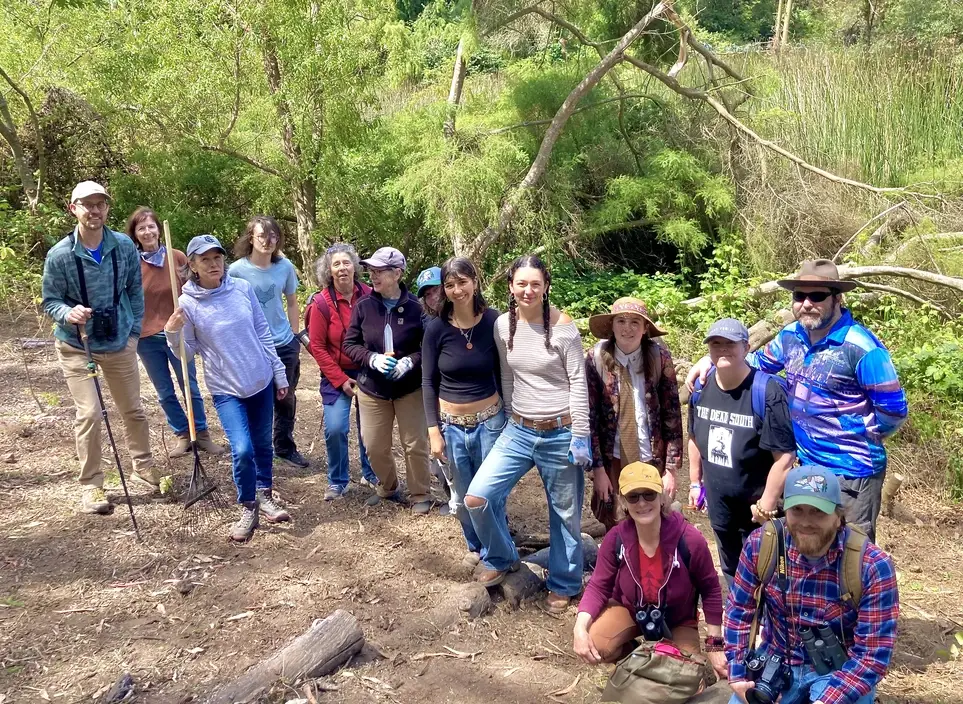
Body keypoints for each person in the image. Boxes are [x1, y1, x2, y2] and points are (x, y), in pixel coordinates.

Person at [687, 260, 908, 542]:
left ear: (837, 298)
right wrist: (710, 359)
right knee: (806, 549)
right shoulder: (791, 336)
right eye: (799, 296)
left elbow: (894, 410)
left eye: (817, 296)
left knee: (851, 553)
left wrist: (857, 436)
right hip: (805, 466)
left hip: (852, 472)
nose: (806, 303)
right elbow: (755, 362)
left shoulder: (861, 347)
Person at [464, 254, 591, 614]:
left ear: (546, 286)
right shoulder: (504, 325)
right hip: (518, 429)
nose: (528, 290)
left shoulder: (564, 329)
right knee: (478, 496)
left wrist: (580, 434)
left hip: (560, 431)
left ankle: (565, 583)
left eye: (536, 283)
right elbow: (507, 373)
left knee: (565, 515)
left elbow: (578, 383)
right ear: (510, 286)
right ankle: (503, 557)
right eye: (521, 283)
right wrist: (506, 415)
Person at [724, 465, 898, 704]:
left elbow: (872, 655)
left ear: (838, 517)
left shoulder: (872, 566)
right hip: (776, 661)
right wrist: (738, 674)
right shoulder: (761, 546)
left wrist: (828, 700)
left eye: (818, 512)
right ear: (785, 511)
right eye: (798, 510)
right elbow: (738, 612)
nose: (806, 522)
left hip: (840, 670)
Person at [41, 181, 158, 515]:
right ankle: (92, 485)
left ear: (107, 208)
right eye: (86, 204)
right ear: (73, 208)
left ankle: (143, 466)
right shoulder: (60, 255)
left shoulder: (123, 246)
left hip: (120, 340)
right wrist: (68, 312)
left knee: (133, 409)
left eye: (100, 204)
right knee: (90, 413)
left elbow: (135, 291)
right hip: (78, 345)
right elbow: (50, 300)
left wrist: (134, 331)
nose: (94, 210)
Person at [165, 235, 291, 542]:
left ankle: (264, 495)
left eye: (217, 257)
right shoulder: (187, 304)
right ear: (192, 265)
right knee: (243, 449)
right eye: (205, 259)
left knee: (262, 445)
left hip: (259, 380)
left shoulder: (242, 288)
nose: (213, 264)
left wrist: (279, 372)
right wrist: (172, 334)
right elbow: (187, 352)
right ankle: (247, 505)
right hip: (226, 388)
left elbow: (262, 331)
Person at [574, 462, 727, 680]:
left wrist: (715, 645)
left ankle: (664, 659)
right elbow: (599, 586)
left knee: (687, 676)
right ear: (624, 502)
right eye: (633, 497)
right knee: (597, 644)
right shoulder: (616, 539)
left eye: (649, 494)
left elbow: (711, 589)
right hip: (630, 611)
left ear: (662, 497)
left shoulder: (689, 540)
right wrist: (580, 628)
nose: (642, 503)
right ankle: (636, 659)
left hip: (677, 619)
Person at [688, 319, 796, 584]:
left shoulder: (765, 391)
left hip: (757, 509)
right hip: (719, 503)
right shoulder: (701, 387)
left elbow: (784, 457)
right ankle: (740, 618)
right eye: (716, 344)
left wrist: (767, 505)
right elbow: (694, 438)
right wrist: (694, 482)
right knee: (731, 569)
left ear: (746, 347)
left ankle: (768, 622)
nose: (723, 349)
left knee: (768, 572)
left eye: (730, 344)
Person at [422, 257, 503, 568]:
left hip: (491, 423)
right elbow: (428, 381)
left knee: (491, 491)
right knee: (464, 492)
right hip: (452, 425)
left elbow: (504, 373)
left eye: (462, 282)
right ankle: (478, 548)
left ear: (475, 282)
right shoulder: (436, 329)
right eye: (450, 285)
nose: (457, 290)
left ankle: (498, 549)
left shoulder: (494, 322)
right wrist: (433, 430)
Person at [125, 207, 223, 458]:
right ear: (135, 234)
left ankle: (200, 433)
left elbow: (194, 289)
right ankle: (182, 434)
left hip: (177, 331)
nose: (147, 232)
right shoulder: (132, 264)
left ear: (159, 229)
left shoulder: (177, 257)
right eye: (141, 228)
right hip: (147, 336)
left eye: (151, 226)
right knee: (164, 390)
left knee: (189, 385)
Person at [343, 246, 433, 514]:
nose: (373, 276)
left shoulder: (418, 307)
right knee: (373, 443)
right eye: (370, 270)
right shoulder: (363, 306)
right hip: (372, 388)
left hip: (409, 388)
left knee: (415, 443)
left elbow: (427, 346)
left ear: (397, 273)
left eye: (380, 271)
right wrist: (371, 358)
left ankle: (420, 493)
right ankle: (388, 486)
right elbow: (350, 344)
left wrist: (410, 362)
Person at [585, 297, 683, 530]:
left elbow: (672, 415)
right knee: (614, 516)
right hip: (613, 455)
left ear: (645, 328)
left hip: (650, 454)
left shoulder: (659, 358)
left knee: (651, 512)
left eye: (634, 322)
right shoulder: (595, 358)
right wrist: (597, 469)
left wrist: (670, 469)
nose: (627, 328)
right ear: (612, 325)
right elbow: (590, 418)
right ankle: (619, 561)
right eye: (621, 321)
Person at [228, 215, 308, 468]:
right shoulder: (236, 271)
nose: (268, 240)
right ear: (250, 237)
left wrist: (295, 336)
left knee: (286, 398)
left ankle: (284, 447)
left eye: (273, 235)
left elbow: (293, 301)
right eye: (262, 235)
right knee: (256, 398)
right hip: (252, 346)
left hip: (283, 343)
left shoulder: (284, 267)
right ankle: (254, 450)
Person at [305, 243, 379, 500]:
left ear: (355, 266)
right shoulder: (321, 304)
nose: (342, 268)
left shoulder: (371, 295)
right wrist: (339, 379)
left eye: (346, 263)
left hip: (368, 371)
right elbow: (317, 346)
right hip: (335, 374)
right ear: (329, 271)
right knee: (336, 428)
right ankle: (337, 480)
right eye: (336, 264)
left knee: (369, 428)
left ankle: (371, 473)